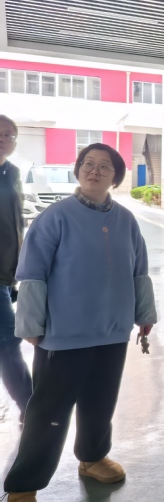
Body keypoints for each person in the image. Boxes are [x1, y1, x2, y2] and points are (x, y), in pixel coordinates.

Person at [4, 143, 156, 502]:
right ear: (78, 169)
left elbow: (139, 271)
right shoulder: (55, 217)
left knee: (101, 402)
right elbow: (32, 273)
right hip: (63, 334)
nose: (94, 171)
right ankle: (24, 484)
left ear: (115, 177)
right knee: (48, 412)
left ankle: (92, 457)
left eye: (105, 167)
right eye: (88, 164)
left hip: (112, 331)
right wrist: (31, 323)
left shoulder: (126, 220)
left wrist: (144, 314)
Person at [0, 115, 32, 425]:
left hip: (6, 274)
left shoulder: (12, 173)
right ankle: (31, 407)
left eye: (9, 134)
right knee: (8, 342)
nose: (3, 138)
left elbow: (16, 223)